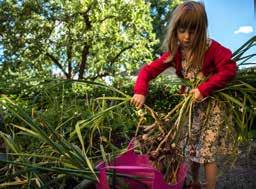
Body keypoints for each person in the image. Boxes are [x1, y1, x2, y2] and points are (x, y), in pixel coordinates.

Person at [130, 1, 237, 189]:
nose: (187, 37)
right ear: (175, 30)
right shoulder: (176, 54)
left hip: (212, 109)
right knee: (192, 148)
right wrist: (140, 91)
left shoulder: (211, 49)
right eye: (182, 30)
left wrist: (204, 89)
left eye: (193, 31)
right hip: (192, 108)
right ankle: (195, 182)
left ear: (202, 30)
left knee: (207, 153)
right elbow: (147, 71)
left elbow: (229, 68)